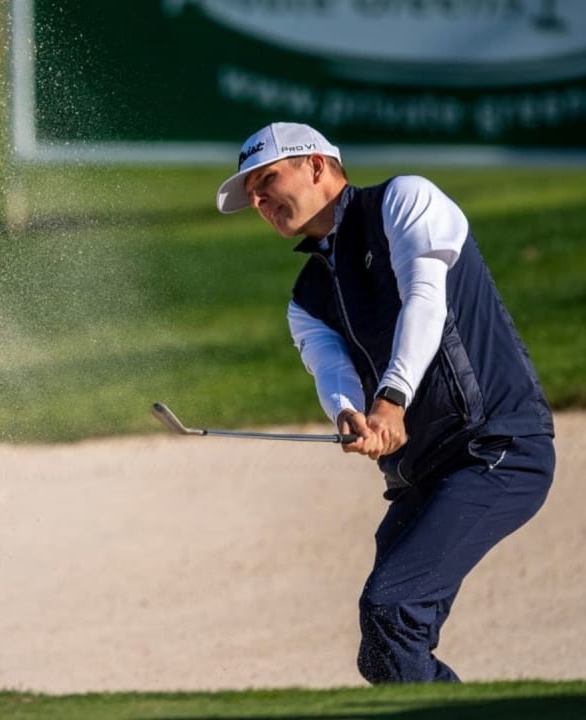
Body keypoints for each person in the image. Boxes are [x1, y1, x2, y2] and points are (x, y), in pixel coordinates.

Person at [215, 122, 555, 684]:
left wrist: (391, 402)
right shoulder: (307, 297)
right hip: (424, 474)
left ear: (317, 167)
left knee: (392, 609)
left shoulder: (406, 199)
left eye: (267, 179)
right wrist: (350, 414)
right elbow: (332, 371)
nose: (258, 199)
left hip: (496, 449)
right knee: (382, 649)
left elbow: (426, 301)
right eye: (251, 193)